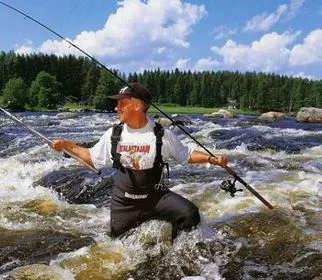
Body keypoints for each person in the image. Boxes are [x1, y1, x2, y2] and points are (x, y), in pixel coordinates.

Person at [51, 82, 227, 239]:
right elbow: (92, 157)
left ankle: (175, 255)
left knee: (190, 214)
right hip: (123, 204)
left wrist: (211, 159)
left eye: (121, 103)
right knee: (115, 248)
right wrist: (68, 145)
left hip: (156, 198)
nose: (116, 108)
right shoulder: (114, 134)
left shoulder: (162, 134)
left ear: (136, 105)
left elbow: (186, 154)